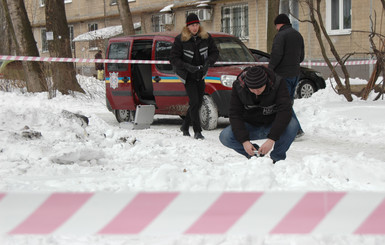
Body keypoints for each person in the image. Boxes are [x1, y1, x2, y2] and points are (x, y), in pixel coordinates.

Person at [219, 66, 299, 163]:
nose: (256, 92)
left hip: (272, 124)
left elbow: (285, 111)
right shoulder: (239, 86)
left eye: (260, 88)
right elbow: (235, 114)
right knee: (225, 136)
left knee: (293, 125)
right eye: (252, 89)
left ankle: (277, 158)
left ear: (266, 83)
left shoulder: (278, 83)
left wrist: (271, 139)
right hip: (250, 126)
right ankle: (254, 154)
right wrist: (244, 141)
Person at [170, 13, 219, 140]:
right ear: (187, 27)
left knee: (196, 103)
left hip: (201, 74)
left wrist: (209, 62)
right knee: (195, 102)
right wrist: (187, 66)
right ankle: (197, 131)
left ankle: (185, 125)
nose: (195, 28)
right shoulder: (180, 39)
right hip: (187, 75)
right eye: (192, 25)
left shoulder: (206, 37)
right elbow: (174, 58)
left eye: (196, 25)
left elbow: (215, 52)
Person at [268, 13, 305, 138]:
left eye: (276, 26)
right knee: (288, 103)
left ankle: (296, 130)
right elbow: (301, 57)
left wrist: (270, 69)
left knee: (284, 104)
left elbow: (276, 55)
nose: (276, 29)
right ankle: (292, 128)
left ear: (279, 24)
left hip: (283, 75)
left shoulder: (280, 36)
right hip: (295, 74)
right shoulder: (298, 35)